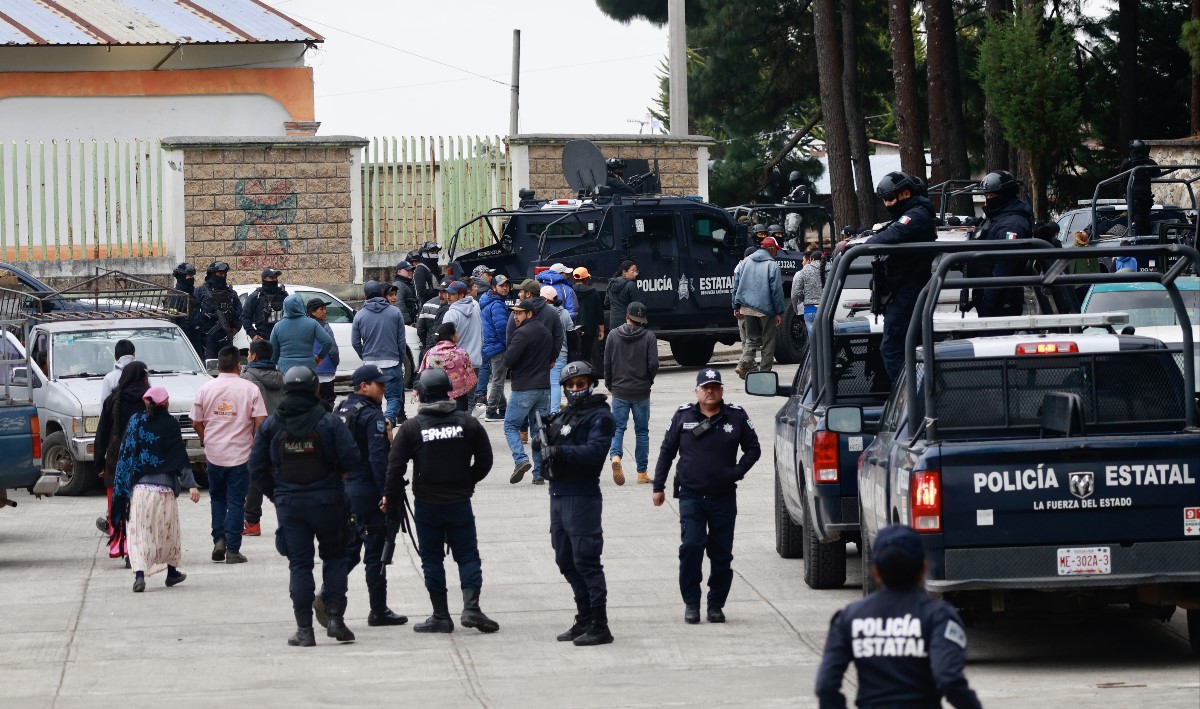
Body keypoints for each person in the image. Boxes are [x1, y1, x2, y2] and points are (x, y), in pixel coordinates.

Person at [248, 366, 360, 647]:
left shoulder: (273, 425)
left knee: (300, 565)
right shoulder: (329, 421)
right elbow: (352, 459)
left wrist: (277, 494)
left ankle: (304, 630)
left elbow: (256, 467)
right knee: (334, 558)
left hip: (290, 504)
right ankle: (335, 618)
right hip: (328, 501)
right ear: (315, 389)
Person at [815, 524, 982, 709]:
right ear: (923, 567)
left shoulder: (849, 618)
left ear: (876, 570)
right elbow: (949, 680)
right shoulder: (938, 617)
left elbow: (826, 687)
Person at [384, 367, 497, 634]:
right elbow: (486, 460)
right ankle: (471, 608)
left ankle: (440, 615)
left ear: (420, 394)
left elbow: (394, 468)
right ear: (449, 391)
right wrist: (467, 481)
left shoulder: (412, 428)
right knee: (468, 555)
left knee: (432, 559)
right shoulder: (468, 423)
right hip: (459, 502)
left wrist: (391, 499)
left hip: (427, 505)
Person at [653, 368, 761, 624]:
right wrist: (658, 486)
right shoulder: (682, 416)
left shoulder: (735, 416)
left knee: (721, 553)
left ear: (722, 390)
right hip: (691, 496)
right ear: (697, 391)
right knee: (691, 547)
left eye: (715, 386)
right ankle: (691, 603)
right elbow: (667, 451)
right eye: (705, 387)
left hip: (723, 497)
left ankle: (716, 605)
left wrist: (736, 473)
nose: (710, 391)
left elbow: (754, 448)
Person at [540, 361, 617, 646]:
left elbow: (596, 452)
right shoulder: (566, 415)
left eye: (580, 384)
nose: (575, 390)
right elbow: (550, 443)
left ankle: (600, 623)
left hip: (582, 495)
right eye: (570, 386)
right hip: (558, 494)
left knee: (586, 559)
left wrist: (559, 452)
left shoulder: (599, 416)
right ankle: (584, 616)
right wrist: (542, 442)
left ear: (591, 385)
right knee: (564, 558)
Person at [331, 364, 408, 628]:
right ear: (364, 386)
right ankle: (378, 610)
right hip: (367, 489)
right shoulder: (372, 416)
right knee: (375, 551)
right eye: (379, 384)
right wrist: (388, 492)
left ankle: (328, 594)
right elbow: (377, 459)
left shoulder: (341, 409)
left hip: (346, 490)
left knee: (351, 549)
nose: (384, 388)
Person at [112, 386, 200, 593]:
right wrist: (192, 485)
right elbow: (180, 457)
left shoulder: (136, 421)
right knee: (168, 534)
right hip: (166, 492)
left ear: (146, 402)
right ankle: (172, 572)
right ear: (166, 403)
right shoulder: (171, 424)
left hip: (141, 492)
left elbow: (125, 454)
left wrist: (122, 489)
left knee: (140, 535)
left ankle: (140, 576)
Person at [191, 346, 267, 564]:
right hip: (241, 455)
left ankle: (219, 540)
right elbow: (260, 421)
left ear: (218, 366)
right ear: (239, 366)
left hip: (214, 454)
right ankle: (233, 549)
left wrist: (208, 439)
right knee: (235, 501)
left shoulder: (206, 389)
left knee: (217, 498)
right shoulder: (250, 389)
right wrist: (252, 440)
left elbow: (196, 422)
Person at [864, 171, 937, 382]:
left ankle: (909, 399)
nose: (887, 205)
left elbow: (890, 236)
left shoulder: (917, 214)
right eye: (884, 200)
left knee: (893, 347)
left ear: (905, 193)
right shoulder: (910, 214)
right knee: (904, 347)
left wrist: (865, 245)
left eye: (890, 199)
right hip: (901, 289)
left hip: (908, 288)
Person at [94, 361, 151, 561]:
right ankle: (139, 545)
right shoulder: (149, 399)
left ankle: (121, 546)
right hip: (144, 461)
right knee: (141, 506)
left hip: (116, 460)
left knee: (118, 503)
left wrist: (99, 463)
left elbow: (101, 433)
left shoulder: (112, 400)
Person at [603, 301, 658, 486]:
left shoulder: (613, 335)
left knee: (618, 428)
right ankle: (642, 473)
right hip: (641, 391)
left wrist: (610, 384)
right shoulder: (649, 337)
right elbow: (653, 364)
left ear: (627, 316)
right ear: (641, 320)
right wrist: (648, 381)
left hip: (619, 389)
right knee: (642, 431)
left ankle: (616, 457)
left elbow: (607, 363)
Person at [967, 170, 1032, 319]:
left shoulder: (1012, 223)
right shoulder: (994, 218)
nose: (988, 199)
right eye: (986, 196)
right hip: (985, 292)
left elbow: (1005, 265)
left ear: (1005, 195)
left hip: (1001, 299)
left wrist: (989, 300)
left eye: (991, 195)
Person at [504, 298, 554, 485]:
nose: (515, 317)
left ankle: (520, 459)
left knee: (510, 425)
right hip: (543, 388)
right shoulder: (545, 332)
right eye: (514, 313)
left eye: (519, 313)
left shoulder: (521, 334)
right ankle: (538, 473)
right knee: (538, 431)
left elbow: (508, 360)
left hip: (524, 388)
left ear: (530, 313)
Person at [241, 339, 284, 537]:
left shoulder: (247, 378)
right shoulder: (282, 377)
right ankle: (287, 521)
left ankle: (252, 523)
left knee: (255, 478)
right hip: (281, 434)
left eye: (249, 353)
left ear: (254, 356)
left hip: (256, 433)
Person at [351, 280, 408, 425]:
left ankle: (378, 424)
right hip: (392, 362)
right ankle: (389, 419)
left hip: (370, 364)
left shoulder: (359, 315)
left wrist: (365, 356)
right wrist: (400, 359)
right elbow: (401, 341)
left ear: (365, 296)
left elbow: (355, 342)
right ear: (382, 293)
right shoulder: (395, 312)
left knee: (373, 398)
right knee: (394, 397)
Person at [732, 235, 785, 378]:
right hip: (765, 308)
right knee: (768, 340)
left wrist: (736, 305)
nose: (777, 253)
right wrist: (779, 311)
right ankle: (765, 373)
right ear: (771, 249)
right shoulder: (772, 265)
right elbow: (776, 291)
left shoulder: (745, 262)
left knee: (751, 338)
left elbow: (736, 286)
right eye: (776, 250)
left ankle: (744, 362)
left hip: (746, 306)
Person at [270, 293, 334, 374]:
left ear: (285, 307)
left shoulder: (278, 326)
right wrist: (319, 357)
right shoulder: (312, 323)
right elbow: (328, 342)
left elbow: (273, 353)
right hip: (308, 368)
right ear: (301, 306)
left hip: (285, 369)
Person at [420, 322, 478, 412]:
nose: (457, 335)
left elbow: (423, 374)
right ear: (451, 336)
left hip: (436, 398)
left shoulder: (430, 353)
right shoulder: (461, 353)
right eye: (456, 332)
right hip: (459, 399)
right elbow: (470, 377)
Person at [442, 280, 483, 404]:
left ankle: (461, 423)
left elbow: (445, 341)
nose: (448, 296)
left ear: (461, 295)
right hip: (474, 362)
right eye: (447, 293)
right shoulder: (475, 307)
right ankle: (465, 422)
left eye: (452, 294)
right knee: (469, 401)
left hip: (456, 364)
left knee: (455, 401)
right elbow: (482, 333)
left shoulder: (451, 314)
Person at [478, 274, 511, 422]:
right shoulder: (497, 304)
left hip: (490, 346)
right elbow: (502, 328)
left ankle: (503, 409)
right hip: (498, 346)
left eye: (506, 285)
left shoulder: (488, 301)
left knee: (498, 379)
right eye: (501, 285)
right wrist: (509, 344)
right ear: (494, 287)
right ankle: (491, 411)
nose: (505, 288)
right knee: (498, 380)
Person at [195, 261, 243, 359]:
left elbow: (239, 311)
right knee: (210, 364)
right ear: (212, 274)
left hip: (226, 334)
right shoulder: (201, 291)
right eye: (219, 274)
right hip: (207, 335)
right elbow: (194, 310)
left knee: (227, 363)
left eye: (224, 274)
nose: (222, 276)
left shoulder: (231, 293)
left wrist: (236, 327)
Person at [542, 285, 575, 411]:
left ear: (546, 300)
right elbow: (571, 332)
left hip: (543, 353)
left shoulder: (542, 313)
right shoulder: (565, 313)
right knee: (555, 383)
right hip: (561, 352)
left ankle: (547, 409)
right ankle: (554, 411)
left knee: (545, 384)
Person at [1118, 139, 1160, 235]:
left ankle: (1141, 240)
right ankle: (1147, 238)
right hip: (1146, 195)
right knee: (1146, 216)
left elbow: (1119, 176)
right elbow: (1157, 173)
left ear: (1132, 149)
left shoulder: (1128, 162)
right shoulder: (1149, 161)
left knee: (1138, 216)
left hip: (1134, 195)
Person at [307, 298, 340, 409]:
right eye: (321, 309)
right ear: (312, 312)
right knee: (328, 400)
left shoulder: (305, 327)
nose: (325, 312)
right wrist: (335, 362)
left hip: (311, 371)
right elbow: (332, 349)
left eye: (325, 309)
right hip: (326, 369)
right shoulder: (325, 327)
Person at [241, 268, 289, 342]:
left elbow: (291, 315)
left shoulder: (283, 295)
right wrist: (253, 334)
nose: (274, 280)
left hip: (281, 339)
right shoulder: (256, 296)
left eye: (275, 278)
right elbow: (245, 317)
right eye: (271, 278)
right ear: (264, 279)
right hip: (263, 339)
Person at [571, 267, 604, 366]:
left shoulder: (570, 291)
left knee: (574, 354)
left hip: (573, 328)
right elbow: (599, 312)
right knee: (586, 355)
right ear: (586, 279)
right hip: (588, 330)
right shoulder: (593, 292)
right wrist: (601, 330)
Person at [171, 262, 204, 356]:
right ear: (181, 277)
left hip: (196, 337)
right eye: (188, 276)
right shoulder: (175, 296)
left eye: (192, 276)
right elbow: (172, 318)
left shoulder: (193, 295)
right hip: (183, 339)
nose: (191, 279)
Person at [604, 261, 642, 338]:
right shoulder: (631, 285)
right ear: (624, 272)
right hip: (628, 324)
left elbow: (606, 303)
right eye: (633, 271)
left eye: (636, 271)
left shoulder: (611, 284)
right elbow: (638, 305)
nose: (636, 274)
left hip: (613, 324)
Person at [792, 250, 824, 337]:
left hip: (810, 309)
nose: (802, 262)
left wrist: (804, 299)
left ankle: (815, 350)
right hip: (826, 309)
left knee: (813, 338)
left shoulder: (804, 271)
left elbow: (796, 291)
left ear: (811, 259)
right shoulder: (830, 269)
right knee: (825, 337)